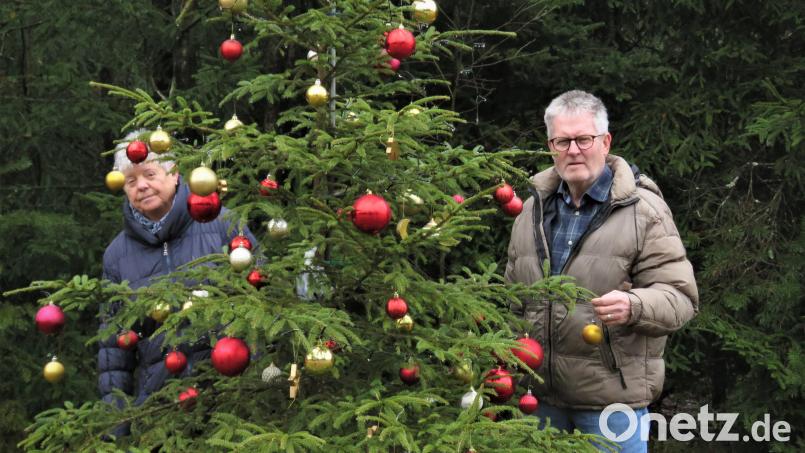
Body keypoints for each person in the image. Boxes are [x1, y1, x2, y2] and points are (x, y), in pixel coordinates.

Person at [504, 90, 698, 452]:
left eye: (584, 139)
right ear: (551, 145)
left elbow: (681, 298)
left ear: (605, 142)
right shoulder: (530, 209)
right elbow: (514, 301)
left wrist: (634, 305)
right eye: (563, 141)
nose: (573, 150)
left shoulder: (644, 212)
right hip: (538, 400)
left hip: (611, 404)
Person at [97, 130, 256, 437]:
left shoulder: (224, 225)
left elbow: (264, 304)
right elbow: (113, 349)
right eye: (130, 181)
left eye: (150, 174)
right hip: (159, 412)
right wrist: (116, 422)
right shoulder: (116, 255)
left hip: (234, 403)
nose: (141, 185)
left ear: (174, 174)